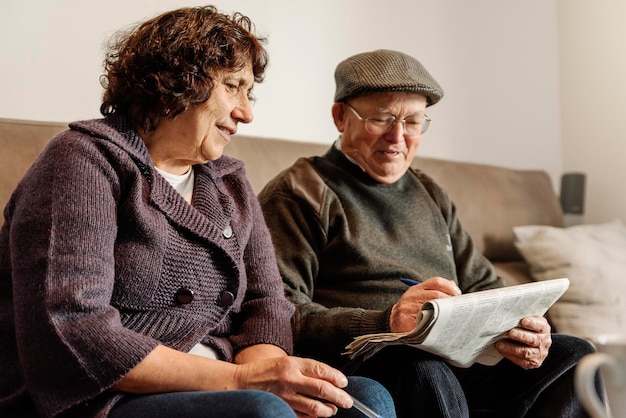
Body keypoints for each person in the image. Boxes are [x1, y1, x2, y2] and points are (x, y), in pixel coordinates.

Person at [0, 8, 397, 418]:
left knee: (366, 397)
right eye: (232, 87)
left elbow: (266, 304)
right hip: (101, 395)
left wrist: (270, 375)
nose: (246, 112)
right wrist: (245, 383)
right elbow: (74, 328)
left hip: (219, 378)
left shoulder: (228, 182)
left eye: (249, 92)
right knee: (260, 410)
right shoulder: (84, 160)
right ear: (177, 81)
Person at [258, 49, 601, 417]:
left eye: (414, 121)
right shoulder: (300, 192)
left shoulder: (429, 192)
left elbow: (486, 284)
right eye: (382, 118)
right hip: (371, 361)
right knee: (423, 370)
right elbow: (281, 313)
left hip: (457, 359)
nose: (398, 137)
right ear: (341, 117)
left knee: (576, 355)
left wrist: (527, 330)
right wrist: (387, 321)